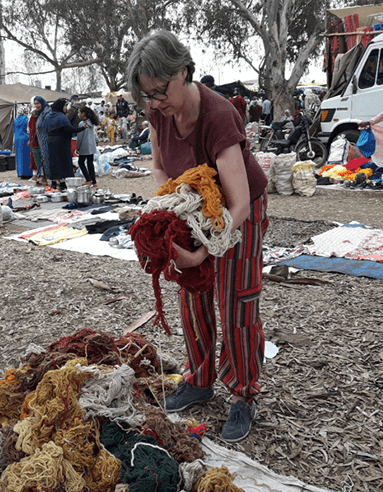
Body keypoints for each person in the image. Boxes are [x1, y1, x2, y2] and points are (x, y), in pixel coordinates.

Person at [127, 29, 269, 442]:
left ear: (184, 72)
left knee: (236, 302)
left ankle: (243, 394)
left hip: (239, 212)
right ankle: (200, 378)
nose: (154, 104)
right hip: (193, 206)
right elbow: (159, 168)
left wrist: (205, 252)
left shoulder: (219, 116)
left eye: (158, 92)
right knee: (191, 295)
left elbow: (238, 205)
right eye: (146, 96)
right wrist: (171, 206)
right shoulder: (159, 113)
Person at [36, 98, 83, 191]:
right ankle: (62, 183)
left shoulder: (49, 117)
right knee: (63, 163)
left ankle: (54, 182)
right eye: (65, 106)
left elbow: (44, 129)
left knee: (54, 162)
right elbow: (69, 129)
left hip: (51, 142)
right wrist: (82, 128)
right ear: (61, 106)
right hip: (62, 143)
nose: (66, 108)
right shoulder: (61, 117)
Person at [76, 106, 100, 186]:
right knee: (90, 163)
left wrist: (78, 148)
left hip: (84, 146)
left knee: (81, 162)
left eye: (79, 112)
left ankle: (88, 179)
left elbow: (79, 137)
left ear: (83, 114)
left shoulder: (82, 124)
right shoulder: (91, 122)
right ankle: (94, 181)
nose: (78, 114)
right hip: (91, 145)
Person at [28, 96, 47, 185]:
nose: (36, 105)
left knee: (44, 159)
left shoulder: (45, 113)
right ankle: (38, 176)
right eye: (35, 104)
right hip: (35, 141)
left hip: (44, 141)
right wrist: (31, 139)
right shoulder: (34, 115)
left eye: (38, 103)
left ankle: (44, 178)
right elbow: (31, 128)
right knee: (36, 158)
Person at [13, 106, 32, 179]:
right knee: (27, 157)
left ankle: (20, 173)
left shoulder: (15, 120)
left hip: (17, 139)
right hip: (25, 139)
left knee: (19, 157)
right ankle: (27, 173)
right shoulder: (27, 120)